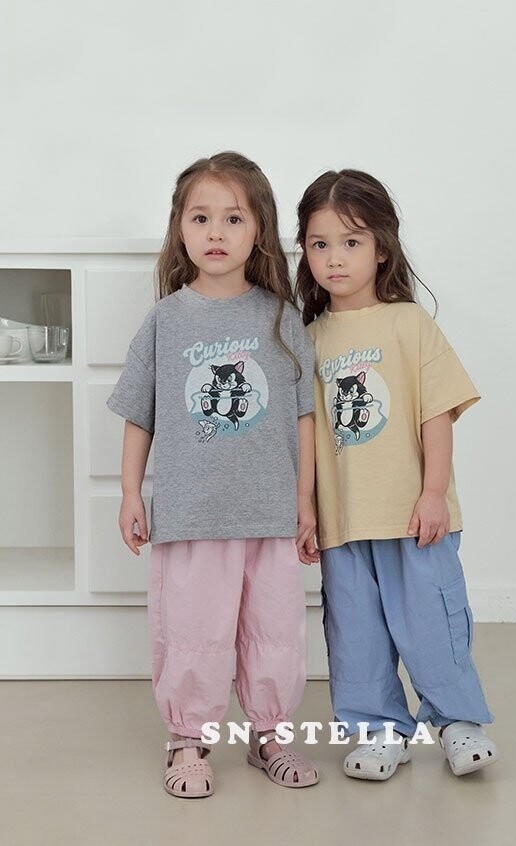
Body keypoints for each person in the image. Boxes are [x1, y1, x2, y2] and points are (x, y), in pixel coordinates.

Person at [107, 151, 320, 797]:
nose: (216, 233)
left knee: (273, 632)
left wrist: (305, 502)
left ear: (259, 230)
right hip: (192, 514)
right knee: (195, 633)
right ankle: (188, 739)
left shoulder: (281, 318)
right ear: (180, 228)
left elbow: (304, 417)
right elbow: (139, 413)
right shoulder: (166, 320)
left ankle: (269, 734)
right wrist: (129, 493)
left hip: (269, 514)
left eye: (233, 218)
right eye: (201, 218)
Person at [295, 168, 498, 780]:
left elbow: (437, 412)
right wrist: (306, 510)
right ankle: (380, 731)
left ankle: (457, 722)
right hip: (344, 523)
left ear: (381, 248)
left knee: (432, 622)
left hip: (415, 517)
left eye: (351, 242)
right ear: (304, 251)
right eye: (320, 244)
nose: (335, 258)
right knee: (355, 634)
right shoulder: (307, 339)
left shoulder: (409, 323)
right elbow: (306, 434)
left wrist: (434, 493)